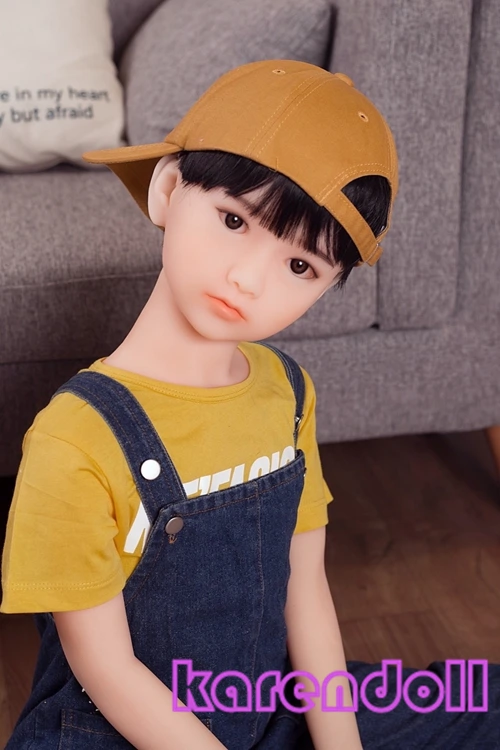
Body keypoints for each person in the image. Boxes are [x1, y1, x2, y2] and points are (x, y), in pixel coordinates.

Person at [1, 58, 498, 750]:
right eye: (234, 220)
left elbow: (306, 589)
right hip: (115, 731)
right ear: (168, 190)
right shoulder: (75, 438)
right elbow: (106, 670)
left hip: (263, 703)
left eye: (300, 266)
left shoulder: (288, 392)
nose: (248, 279)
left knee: (483, 704)